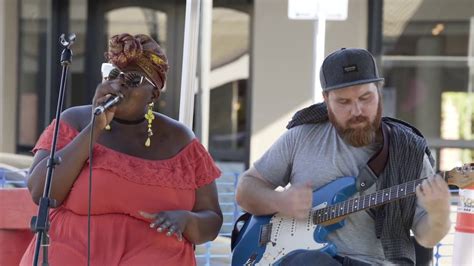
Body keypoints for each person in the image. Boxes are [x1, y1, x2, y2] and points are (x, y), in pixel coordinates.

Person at [235, 48, 451, 265]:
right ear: (326, 100)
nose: (357, 110)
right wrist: (280, 201)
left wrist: (439, 213)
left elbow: (426, 237)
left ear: (379, 90)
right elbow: (246, 189)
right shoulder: (301, 137)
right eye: (343, 102)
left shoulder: (408, 151)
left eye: (365, 98)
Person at [21, 33, 223, 265]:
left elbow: (212, 219)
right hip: (72, 253)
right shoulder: (75, 121)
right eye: (114, 74)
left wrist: (187, 220)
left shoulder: (180, 140)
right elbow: (41, 192)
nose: (119, 84)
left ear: (153, 95)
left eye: (134, 79)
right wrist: (93, 129)